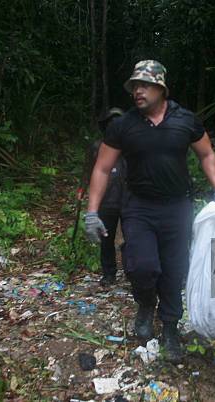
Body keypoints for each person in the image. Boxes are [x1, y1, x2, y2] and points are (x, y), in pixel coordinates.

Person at [84, 60, 215, 363]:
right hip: (138, 206)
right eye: (135, 85)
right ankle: (146, 304)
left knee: (174, 270)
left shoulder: (185, 120)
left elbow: (206, 154)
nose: (138, 90)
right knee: (141, 266)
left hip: (177, 208)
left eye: (145, 85)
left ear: (161, 88)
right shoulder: (123, 126)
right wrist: (92, 212)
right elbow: (102, 167)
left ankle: (171, 329)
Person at [79, 107, 126, 286]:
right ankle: (109, 273)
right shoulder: (97, 147)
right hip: (106, 199)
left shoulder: (131, 145)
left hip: (128, 198)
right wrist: (82, 191)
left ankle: (131, 270)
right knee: (106, 238)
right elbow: (89, 171)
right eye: (111, 123)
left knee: (131, 237)